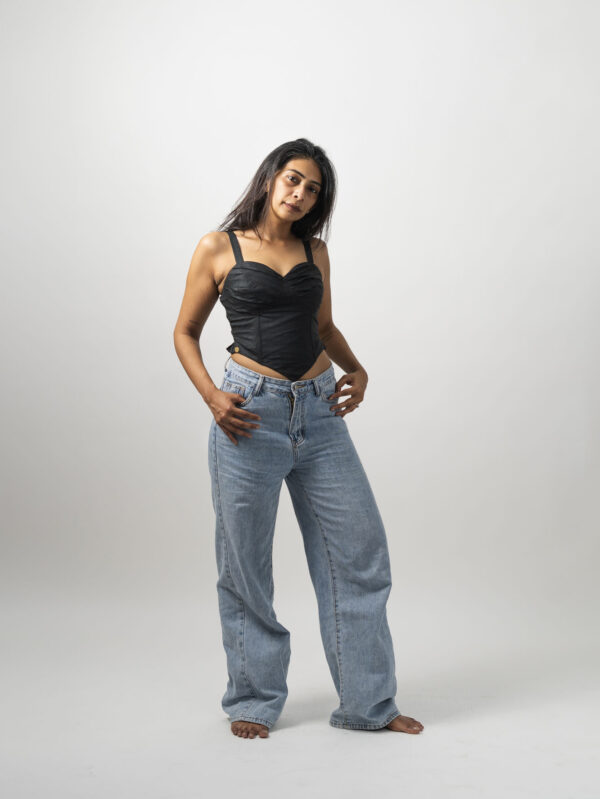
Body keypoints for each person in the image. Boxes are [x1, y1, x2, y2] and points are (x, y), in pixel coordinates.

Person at [173, 138, 424, 740]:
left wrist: (356, 369)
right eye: (293, 179)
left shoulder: (316, 250)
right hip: (248, 416)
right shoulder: (217, 247)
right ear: (270, 178)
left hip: (319, 414)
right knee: (245, 564)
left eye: (313, 189)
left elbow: (323, 325)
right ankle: (254, 699)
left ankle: (368, 703)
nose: (300, 194)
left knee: (359, 554)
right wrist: (211, 396)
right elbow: (185, 331)